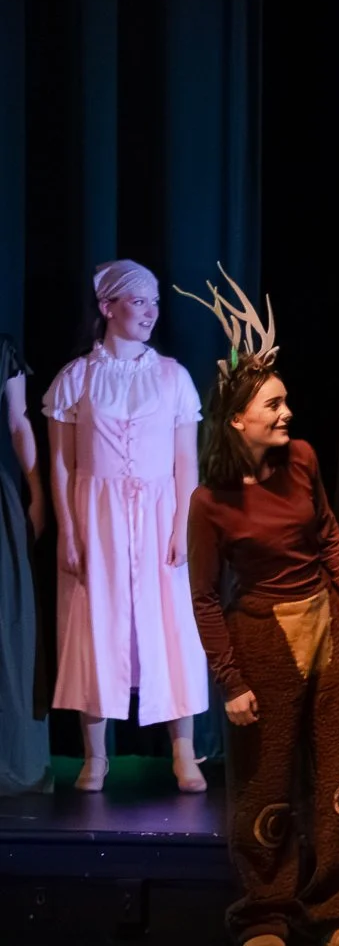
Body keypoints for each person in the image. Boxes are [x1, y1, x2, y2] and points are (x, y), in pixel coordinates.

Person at [180, 271, 339, 946]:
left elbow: (328, 537)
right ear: (239, 418)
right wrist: (231, 679)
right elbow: (205, 596)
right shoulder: (210, 500)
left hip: (323, 626)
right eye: (274, 403)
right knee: (266, 782)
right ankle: (264, 910)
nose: (288, 411)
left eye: (286, 399)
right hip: (262, 635)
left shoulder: (301, 460)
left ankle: (337, 907)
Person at [43, 260, 210, 793]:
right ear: (107, 307)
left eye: (154, 302)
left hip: (161, 514)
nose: (150, 312)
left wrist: (184, 526)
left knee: (170, 624)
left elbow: (188, 463)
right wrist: (68, 530)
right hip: (98, 514)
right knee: (96, 622)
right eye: (138, 301)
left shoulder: (173, 376)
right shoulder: (77, 378)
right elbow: (62, 464)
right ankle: (96, 756)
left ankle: (184, 752)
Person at [1, 335, 51, 795]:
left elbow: (19, 423)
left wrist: (37, 494)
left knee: (6, 625)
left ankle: (13, 758)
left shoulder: (3, 350)